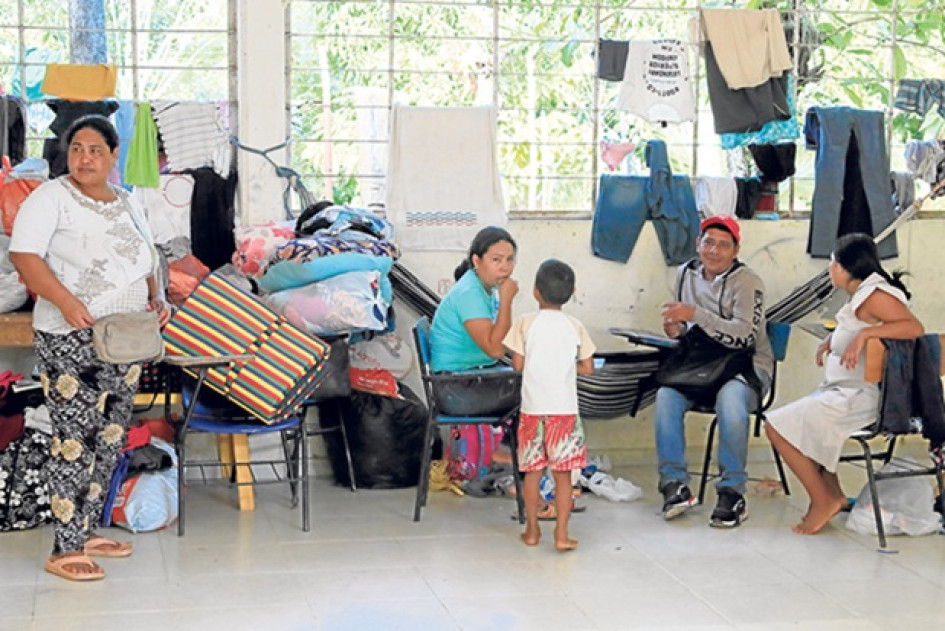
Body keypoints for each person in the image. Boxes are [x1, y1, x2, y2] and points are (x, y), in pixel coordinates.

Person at [9, 115, 171, 582]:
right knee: (74, 438)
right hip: (70, 334)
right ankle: (64, 549)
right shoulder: (51, 197)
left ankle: (86, 529)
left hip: (125, 335)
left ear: (113, 155)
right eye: (77, 148)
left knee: (111, 436)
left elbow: (148, 255)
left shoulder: (126, 201)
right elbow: (24, 255)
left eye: (95, 150)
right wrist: (66, 301)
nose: (84, 158)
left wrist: (157, 298)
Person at [765, 233, 924, 535]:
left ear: (845, 267)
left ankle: (821, 500)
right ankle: (834, 495)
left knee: (777, 426)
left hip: (862, 398)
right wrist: (834, 339)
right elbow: (863, 325)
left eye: (832, 263)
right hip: (845, 392)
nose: (830, 269)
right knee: (803, 423)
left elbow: (913, 328)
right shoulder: (863, 294)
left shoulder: (876, 295)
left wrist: (864, 336)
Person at [655, 215, 773, 528]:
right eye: (708, 242)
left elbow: (744, 336)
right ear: (698, 244)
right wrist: (676, 329)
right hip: (702, 366)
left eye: (723, 245)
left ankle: (732, 491)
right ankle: (674, 485)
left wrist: (697, 314)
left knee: (731, 401)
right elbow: (688, 332)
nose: (714, 251)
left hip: (746, 367)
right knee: (666, 395)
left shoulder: (748, 282)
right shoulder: (686, 273)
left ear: (736, 250)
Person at [503, 259, 596, 551]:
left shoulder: (525, 323)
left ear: (535, 292)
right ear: (573, 291)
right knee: (563, 476)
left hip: (532, 412)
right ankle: (562, 535)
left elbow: (518, 365)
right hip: (565, 414)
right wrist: (568, 370)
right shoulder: (575, 326)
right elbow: (588, 367)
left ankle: (531, 531)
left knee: (532, 473)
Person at [430, 226, 520, 416]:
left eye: (510, 260)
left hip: (470, 379)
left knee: (535, 379)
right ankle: (506, 447)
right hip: (456, 390)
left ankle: (507, 446)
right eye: (496, 260)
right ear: (477, 261)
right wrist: (506, 301)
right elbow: (495, 349)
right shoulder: (470, 293)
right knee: (536, 391)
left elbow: (500, 339)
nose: (505, 267)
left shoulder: (483, 288)